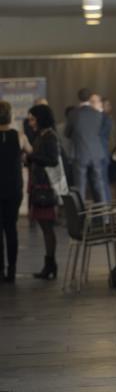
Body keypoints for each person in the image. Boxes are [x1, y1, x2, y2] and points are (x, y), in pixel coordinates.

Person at [26, 104, 61, 280]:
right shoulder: (42, 135)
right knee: (45, 227)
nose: (30, 122)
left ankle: (50, 264)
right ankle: (49, 264)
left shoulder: (49, 137)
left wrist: (32, 156)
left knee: (47, 228)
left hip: (45, 187)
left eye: (32, 118)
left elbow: (53, 160)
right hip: (39, 185)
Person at [0, 101, 31, 282]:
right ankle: (12, 270)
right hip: (13, 187)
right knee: (11, 228)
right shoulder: (19, 136)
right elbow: (31, 152)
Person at [64, 88, 105, 202]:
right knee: (98, 186)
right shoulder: (98, 114)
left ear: (78, 98)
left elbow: (67, 133)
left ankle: (80, 218)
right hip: (96, 153)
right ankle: (104, 217)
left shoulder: (73, 114)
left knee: (80, 187)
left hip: (80, 153)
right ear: (90, 98)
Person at [91, 93, 113, 201]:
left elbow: (99, 135)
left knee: (102, 184)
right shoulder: (98, 117)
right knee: (98, 184)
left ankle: (106, 212)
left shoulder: (105, 118)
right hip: (95, 155)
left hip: (101, 155)